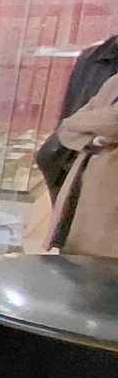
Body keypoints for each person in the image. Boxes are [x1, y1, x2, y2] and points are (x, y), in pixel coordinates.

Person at [48, 72, 118, 257]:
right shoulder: (114, 83)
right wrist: (97, 138)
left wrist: (94, 126)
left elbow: (114, 122)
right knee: (79, 262)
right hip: (86, 197)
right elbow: (68, 126)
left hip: (110, 211)